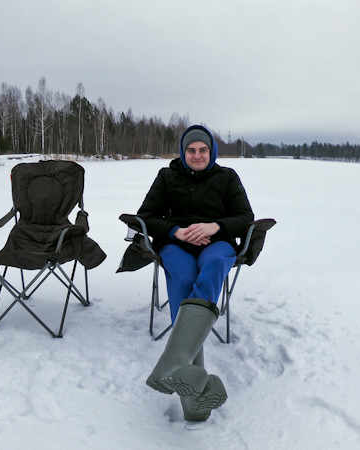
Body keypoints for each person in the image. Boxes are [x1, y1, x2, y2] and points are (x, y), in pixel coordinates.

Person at [138, 124, 254, 421]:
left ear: (212, 152)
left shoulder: (227, 177)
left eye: (203, 150)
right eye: (191, 150)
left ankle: (175, 366)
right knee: (185, 278)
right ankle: (194, 394)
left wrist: (215, 226)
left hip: (216, 243)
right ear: (183, 152)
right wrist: (176, 231)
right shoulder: (167, 176)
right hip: (176, 244)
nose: (197, 155)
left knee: (214, 266)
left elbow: (245, 217)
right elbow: (146, 216)